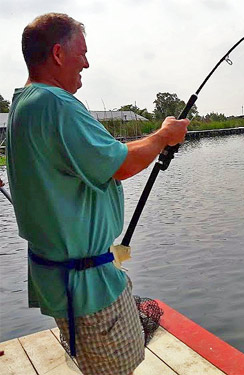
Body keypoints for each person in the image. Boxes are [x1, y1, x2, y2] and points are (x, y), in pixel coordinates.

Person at [6, 13, 189, 375]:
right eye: (82, 53)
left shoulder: (24, 104)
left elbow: (96, 162)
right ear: (58, 54)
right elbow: (119, 164)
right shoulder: (56, 105)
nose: (87, 63)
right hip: (88, 287)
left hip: (61, 278)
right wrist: (163, 135)